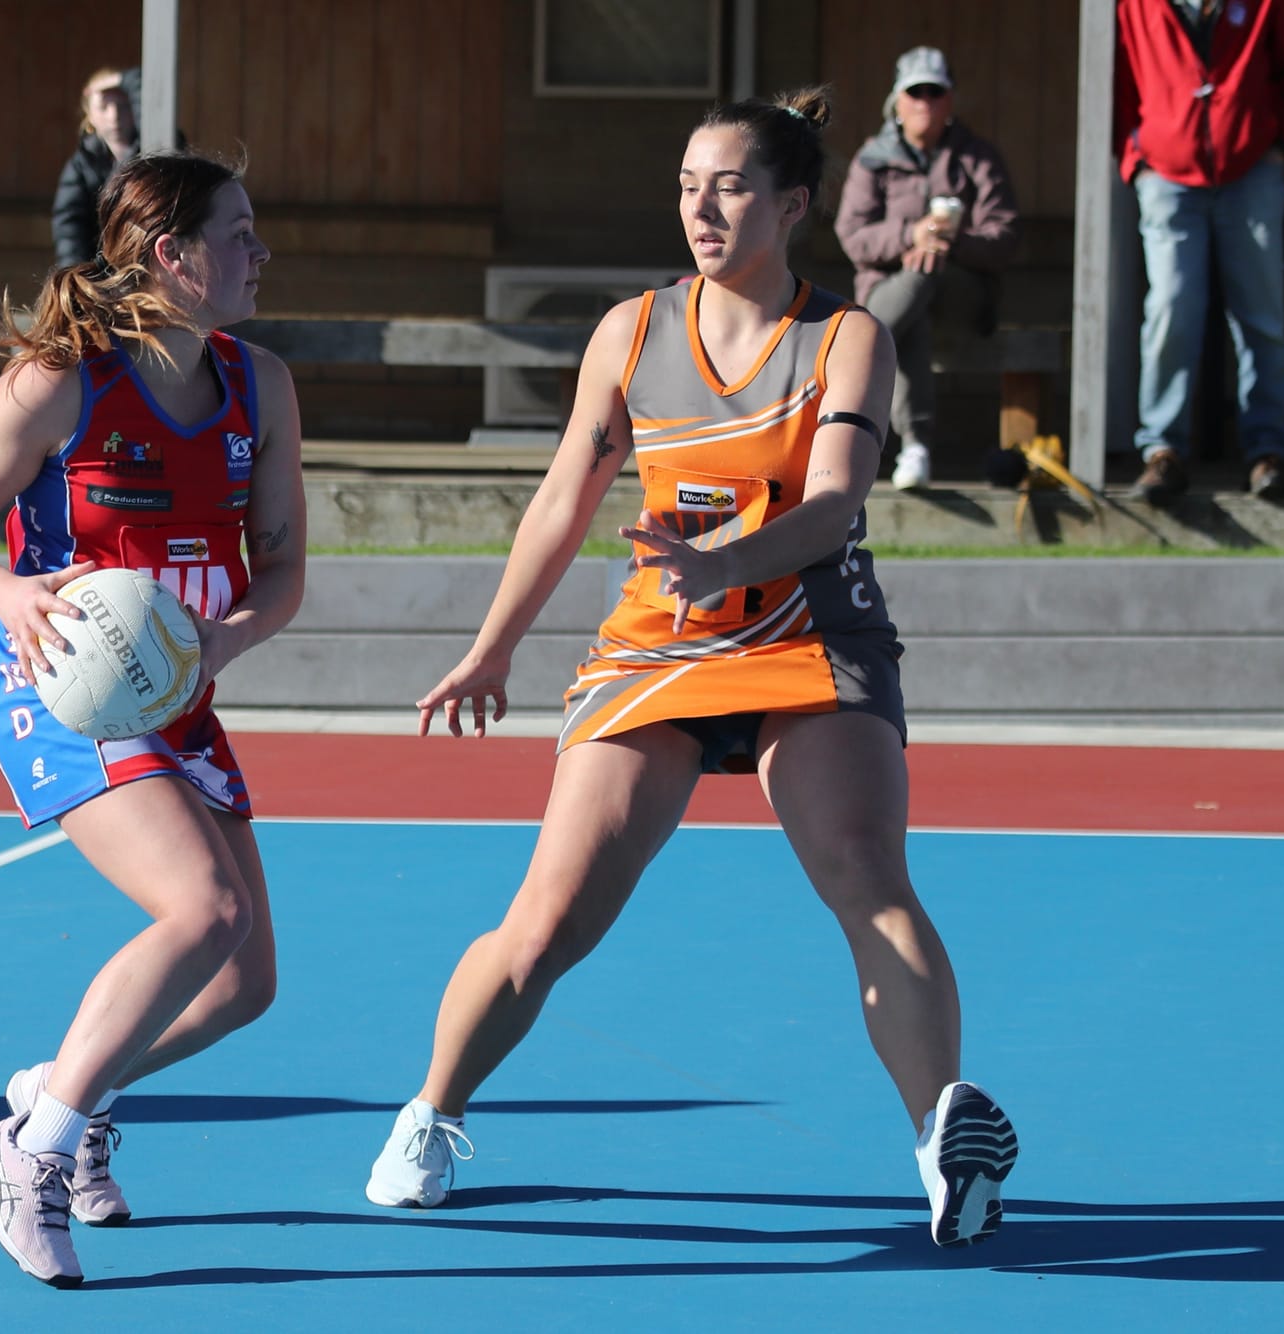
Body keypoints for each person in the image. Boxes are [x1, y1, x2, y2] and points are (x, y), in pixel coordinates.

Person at [362, 88, 1019, 1249]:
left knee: (865, 874)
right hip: (661, 642)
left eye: (727, 188)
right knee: (549, 918)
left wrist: (725, 562)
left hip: (809, 635)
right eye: (684, 187)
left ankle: (943, 1139)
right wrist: (491, 646)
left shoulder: (844, 338)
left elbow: (833, 503)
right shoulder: (630, 331)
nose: (700, 209)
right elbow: (562, 499)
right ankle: (430, 1112)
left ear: (793, 203)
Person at [0, 149, 305, 1288]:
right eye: (238, 233)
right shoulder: (58, 382)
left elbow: (281, 572)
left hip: (175, 690)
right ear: (172, 255)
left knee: (244, 984)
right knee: (204, 906)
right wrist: (9, 594)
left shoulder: (261, 386)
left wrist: (223, 638)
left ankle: (61, 1092)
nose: (260, 252)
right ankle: (28, 1152)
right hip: (62, 685)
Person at [1116, 0, 1284, 506]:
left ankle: (1265, 452)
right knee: (1170, 308)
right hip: (1166, 175)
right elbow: (1115, 78)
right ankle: (1162, 450)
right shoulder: (1135, 6)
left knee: (1262, 315)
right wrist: (1135, 155)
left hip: (1251, 171)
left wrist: (1283, 140)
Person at [834, 46, 1021, 492]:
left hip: (962, 294)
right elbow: (853, 235)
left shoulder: (978, 157)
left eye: (935, 92)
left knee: (922, 275)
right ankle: (916, 446)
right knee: (912, 301)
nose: (925, 102)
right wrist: (909, 236)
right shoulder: (872, 159)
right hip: (888, 291)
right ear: (896, 102)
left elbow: (1006, 236)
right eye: (915, 92)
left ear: (950, 100)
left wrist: (949, 243)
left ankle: (842, 381)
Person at [51, 67, 140, 269]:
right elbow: (69, 226)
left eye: (123, 106)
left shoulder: (152, 150)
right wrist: (79, 275)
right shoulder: (81, 164)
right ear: (89, 115)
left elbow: (148, 87)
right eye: (103, 107)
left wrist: (121, 79)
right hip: (100, 271)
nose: (114, 115)